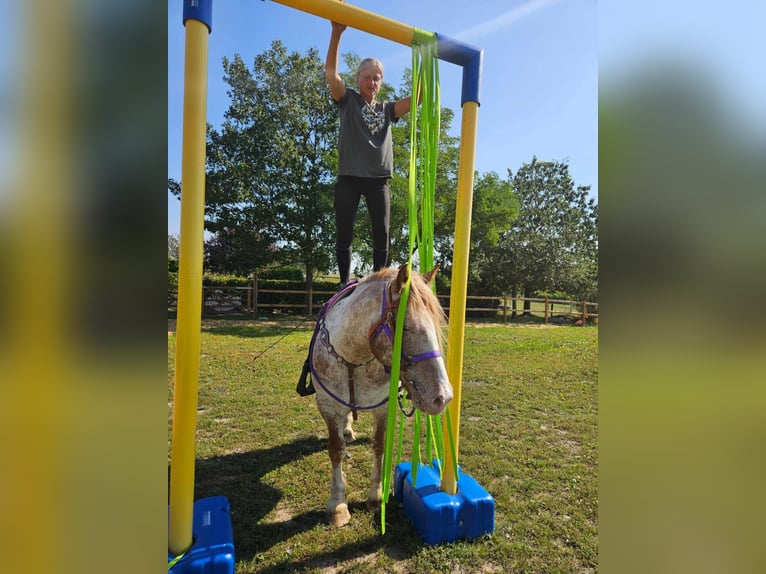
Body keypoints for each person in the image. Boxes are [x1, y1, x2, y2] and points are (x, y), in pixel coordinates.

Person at [325, 16, 413, 289]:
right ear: (358, 79)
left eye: (376, 79)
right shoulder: (348, 99)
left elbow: (416, 99)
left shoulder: (387, 109)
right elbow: (330, 74)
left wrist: (424, 59)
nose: (372, 82)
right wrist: (337, 33)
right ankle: (342, 282)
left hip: (378, 179)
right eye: (367, 78)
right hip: (350, 175)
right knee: (344, 231)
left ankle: (378, 281)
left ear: (381, 83)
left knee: (382, 232)